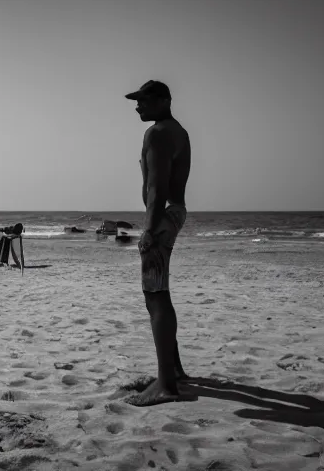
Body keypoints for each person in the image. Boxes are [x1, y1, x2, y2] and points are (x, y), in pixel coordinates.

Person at [123, 80, 193, 407]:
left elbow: (156, 187)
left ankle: (166, 384)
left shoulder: (158, 133)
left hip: (162, 216)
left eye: (144, 100)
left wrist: (149, 230)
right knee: (161, 293)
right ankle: (174, 369)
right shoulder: (177, 131)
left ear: (164, 100)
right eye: (137, 101)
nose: (138, 105)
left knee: (155, 296)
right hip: (174, 212)